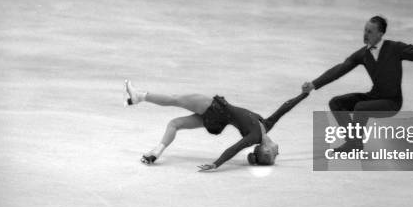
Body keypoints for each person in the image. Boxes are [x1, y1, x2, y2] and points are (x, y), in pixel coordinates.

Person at [302, 15, 413, 153]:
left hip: (391, 102)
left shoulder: (395, 48)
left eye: (370, 31)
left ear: (380, 34)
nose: (365, 34)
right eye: (365, 30)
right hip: (375, 96)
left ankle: (354, 143)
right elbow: (340, 69)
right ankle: (354, 142)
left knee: (361, 107)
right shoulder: (362, 54)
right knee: (337, 102)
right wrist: (314, 84)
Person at [124, 80, 308, 170]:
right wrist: (304, 95)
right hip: (216, 121)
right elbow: (285, 108)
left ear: (266, 151)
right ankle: (156, 152)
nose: (278, 152)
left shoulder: (255, 136)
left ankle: (140, 96)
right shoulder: (266, 126)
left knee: (176, 99)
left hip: (215, 109)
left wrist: (216, 164)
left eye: (274, 155)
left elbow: (234, 149)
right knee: (174, 124)